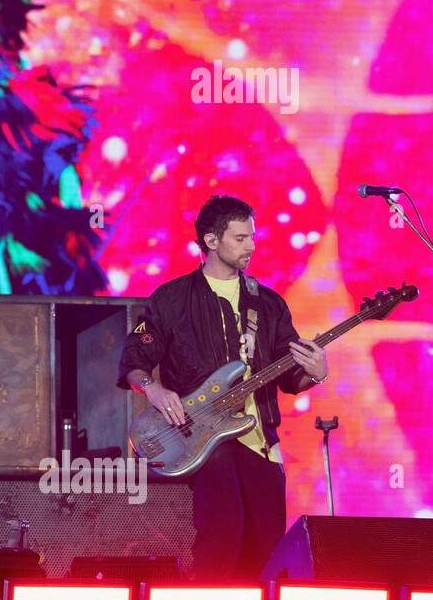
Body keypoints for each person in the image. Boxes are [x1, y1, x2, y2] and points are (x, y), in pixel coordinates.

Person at [117, 195, 328, 580]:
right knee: (222, 536)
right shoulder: (172, 299)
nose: (252, 246)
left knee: (266, 552)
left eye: (252, 237)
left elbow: (289, 376)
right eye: (241, 238)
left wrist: (314, 372)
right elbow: (134, 360)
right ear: (211, 242)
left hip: (260, 440)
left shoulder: (267, 304)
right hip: (203, 439)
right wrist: (156, 390)